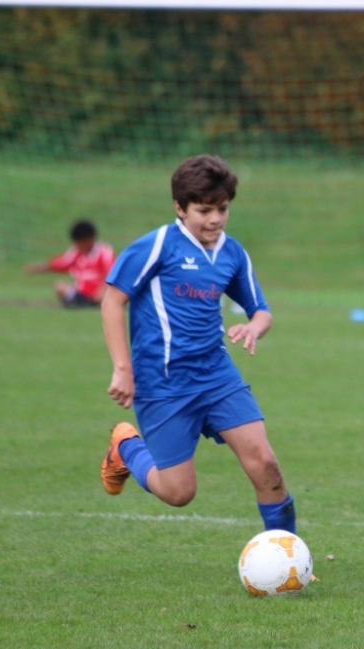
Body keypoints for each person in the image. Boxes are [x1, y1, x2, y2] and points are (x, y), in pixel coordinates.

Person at [99, 155, 296, 536]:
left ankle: (289, 554)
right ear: (180, 207)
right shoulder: (158, 246)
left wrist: (254, 328)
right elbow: (112, 300)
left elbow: (261, 311)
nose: (215, 219)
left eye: (222, 209)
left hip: (217, 376)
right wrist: (123, 368)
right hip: (163, 383)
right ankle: (126, 446)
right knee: (179, 493)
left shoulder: (232, 253)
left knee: (265, 465)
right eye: (204, 210)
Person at [25, 219, 115, 307]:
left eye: (79, 242)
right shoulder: (76, 252)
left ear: (89, 239)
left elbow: (112, 273)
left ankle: (87, 303)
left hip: (99, 293)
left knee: (105, 293)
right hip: (81, 293)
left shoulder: (105, 251)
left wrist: (103, 289)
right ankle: (81, 303)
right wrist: (39, 268)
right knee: (59, 286)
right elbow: (60, 264)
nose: (78, 245)